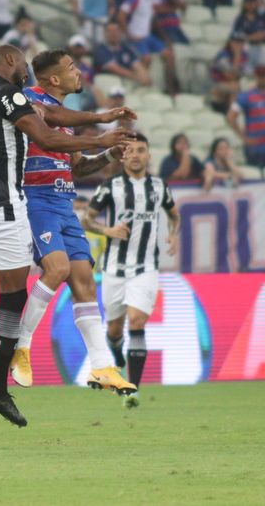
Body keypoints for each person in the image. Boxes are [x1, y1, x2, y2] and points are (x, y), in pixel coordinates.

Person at [0, 45, 133, 427]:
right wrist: (101, 137)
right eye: (23, 64)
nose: (25, 70)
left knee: (16, 266)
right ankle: (5, 371)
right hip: (10, 198)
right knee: (16, 293)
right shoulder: (17, 95)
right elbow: (48, 132)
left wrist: (99, 126)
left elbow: (56, 124)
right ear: (12, 62)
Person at [0, 50, 136, 396]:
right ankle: (20, 346)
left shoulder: (65, 118)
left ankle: (102, 366)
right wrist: (100, 127)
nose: (78, 72)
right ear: (54, 79)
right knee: (55, 269)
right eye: (71, 67)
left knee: (84, 280)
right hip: (35, 198)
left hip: (63, 202)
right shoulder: (28, 101)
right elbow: (48, 131)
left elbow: (76, 165)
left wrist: (106, 155)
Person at [83, 133, 179, 408]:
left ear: (149, 155)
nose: (136, 155)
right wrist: (108, 230)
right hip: (114, 268)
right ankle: (117, 352)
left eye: (141, 150)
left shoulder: (160, 187)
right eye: (131, 151)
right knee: (114, 331)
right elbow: (86, 220)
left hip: (146, 267)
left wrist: (173, 235)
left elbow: (174, 215)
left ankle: (132, 389)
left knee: (136, 321)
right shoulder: (110, 187)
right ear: (123, 156)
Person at [229, 65, 265, 168]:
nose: (263, 79)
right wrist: (244, 138)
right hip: (256, 147)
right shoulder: (246, 96)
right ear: (256, 77)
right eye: (260, 76)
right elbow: (231, 117)